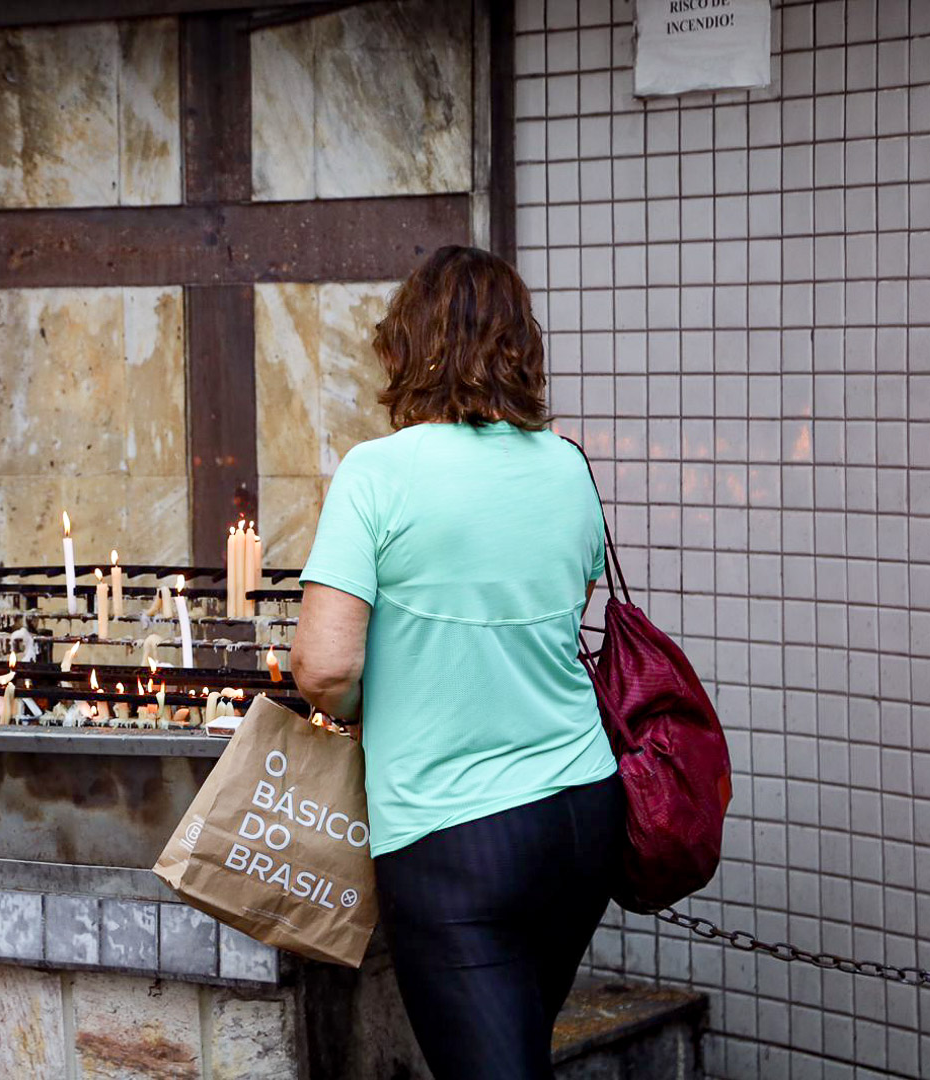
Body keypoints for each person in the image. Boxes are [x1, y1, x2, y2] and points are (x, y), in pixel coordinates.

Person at [290, 245, 623, 1079]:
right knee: (515, 1049)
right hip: (583, 814)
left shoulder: (377, 472)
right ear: (520, 347)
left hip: (454, 831)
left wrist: (377, 704)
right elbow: (555, 610)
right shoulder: (568, 467)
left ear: (405, 345)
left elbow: (324, 669)